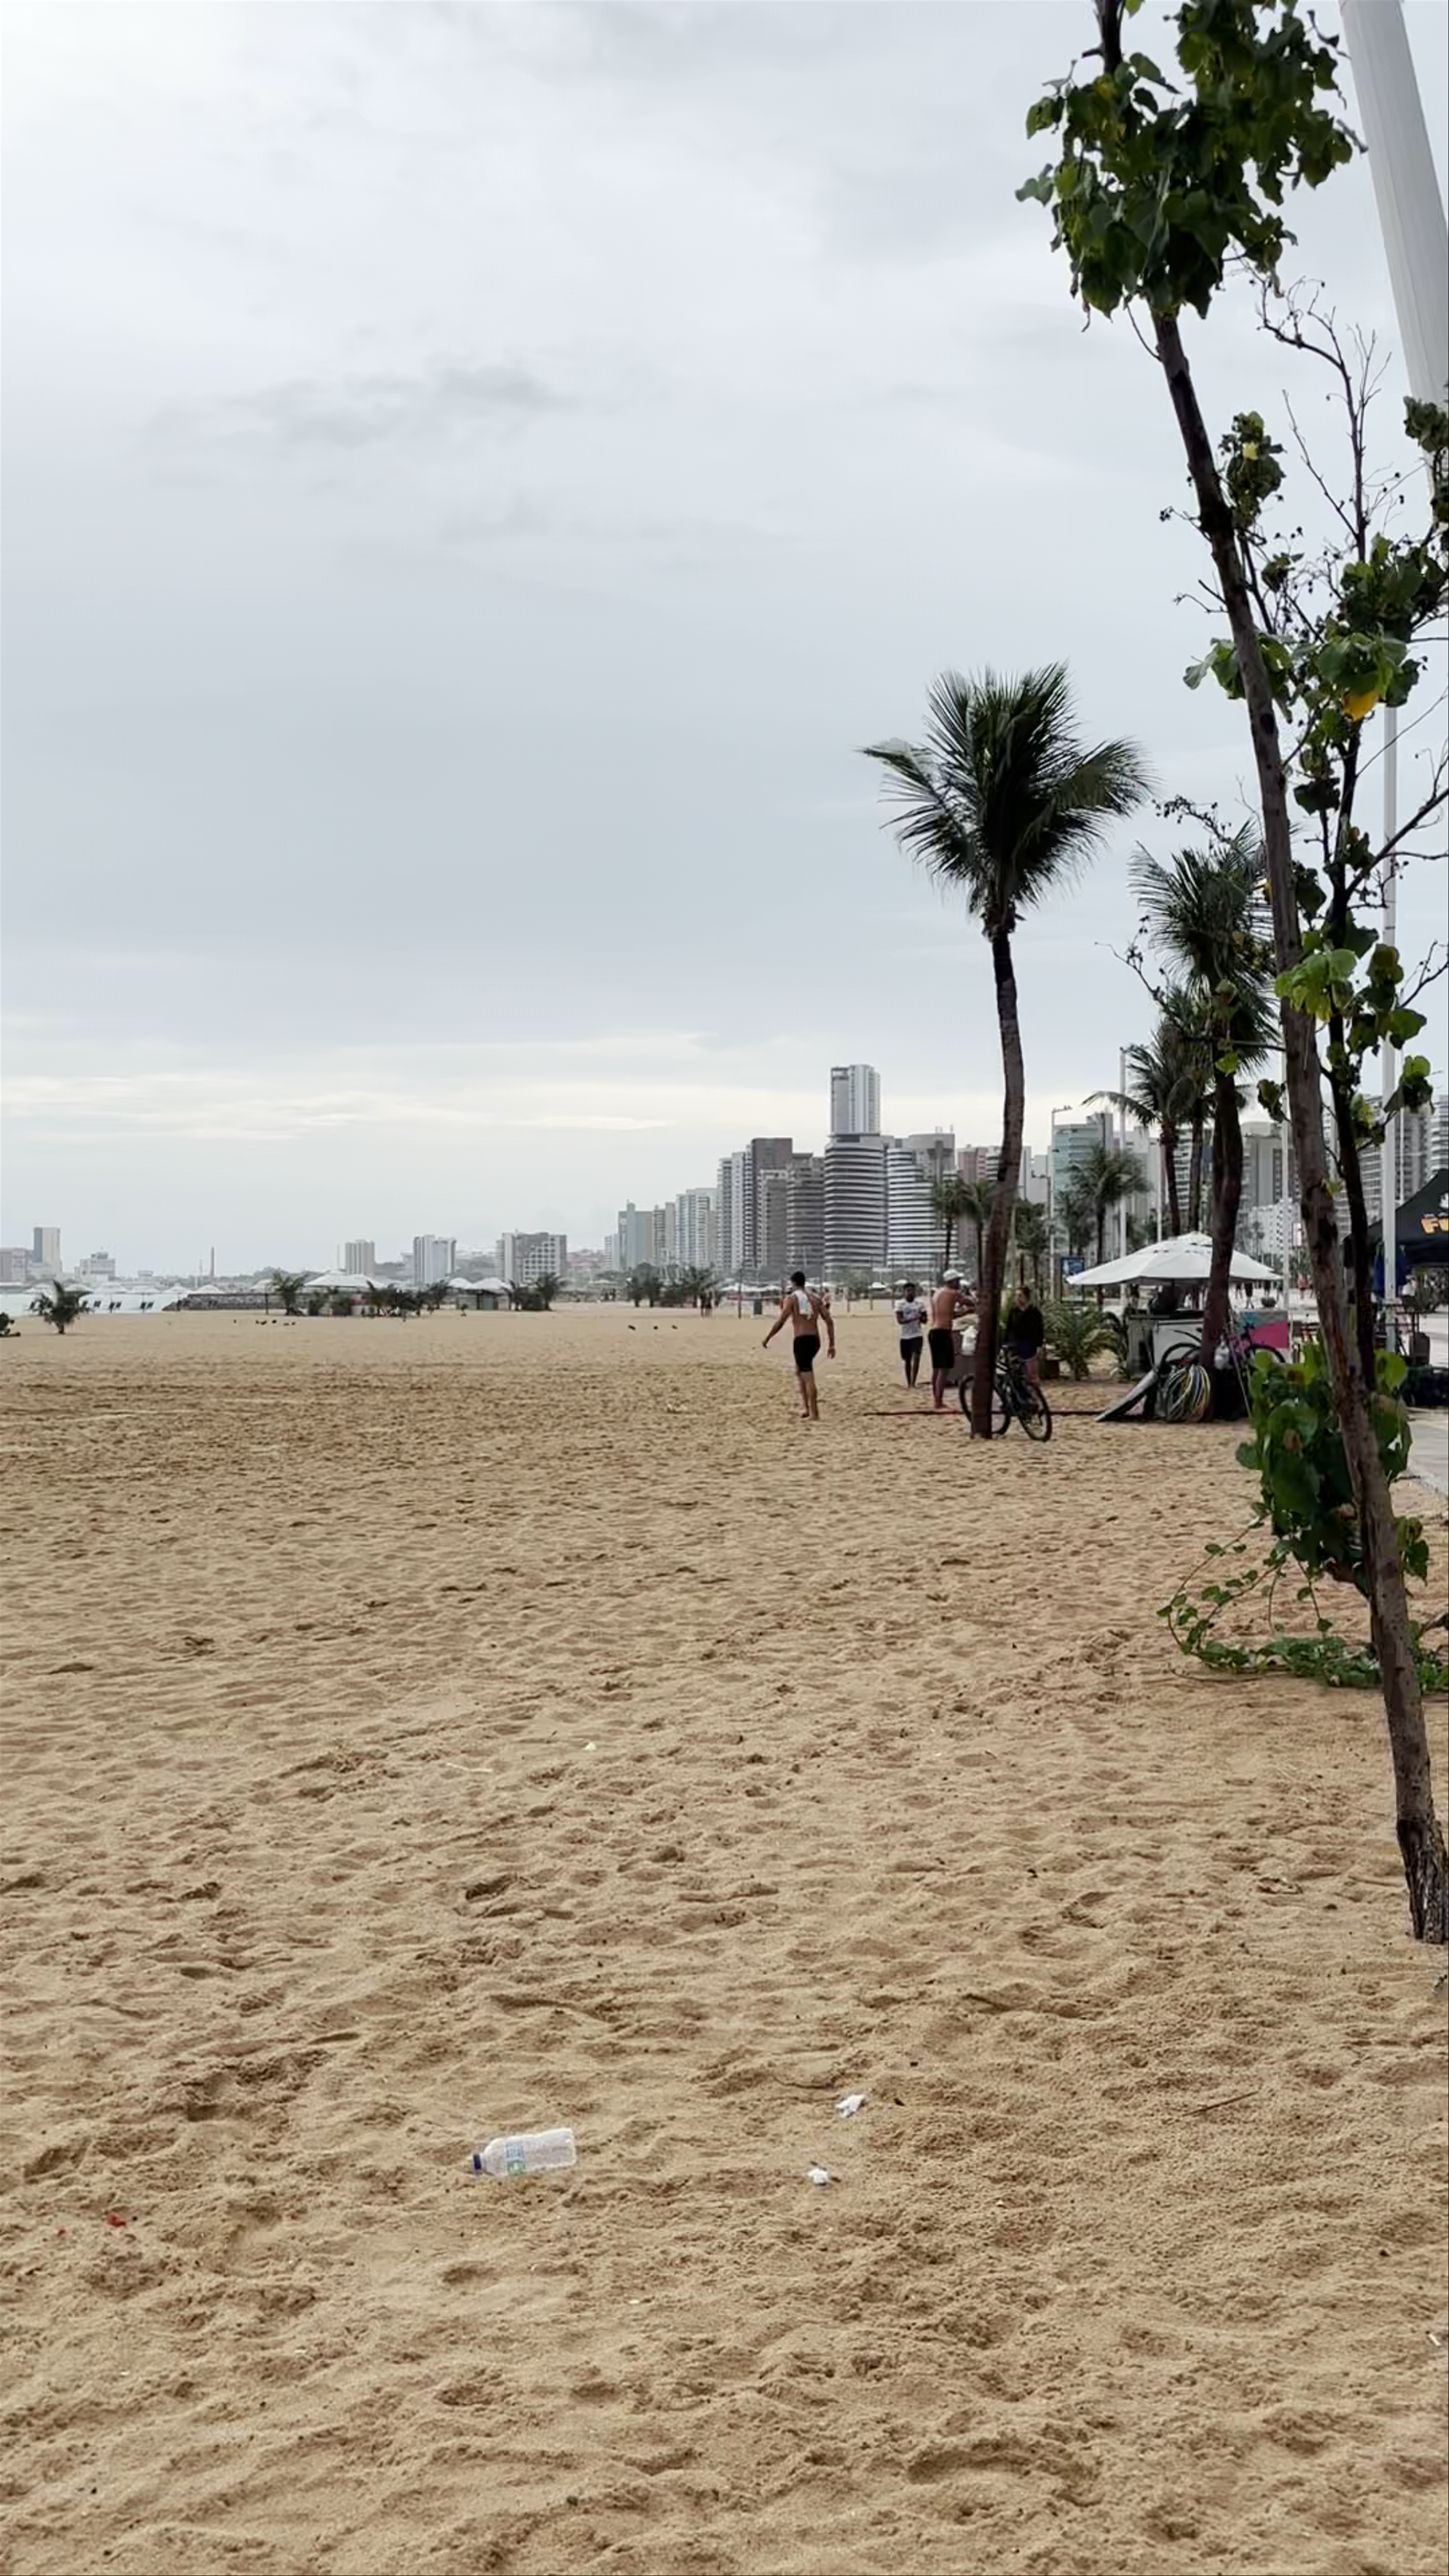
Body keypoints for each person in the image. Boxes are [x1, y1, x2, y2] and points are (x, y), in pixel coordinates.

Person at [763, 1270, 835, 1418]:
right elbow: (829, 1321)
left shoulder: (792, 1299)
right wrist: (832, 1344)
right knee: (800, 1371)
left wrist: (768, 1337)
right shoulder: (816, 1298)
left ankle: (814, 1414)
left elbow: (781, 1321)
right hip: (815, 1340)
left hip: (802, 1340)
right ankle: (806, 1409)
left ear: (793, 1283)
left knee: (808, 1376)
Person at [928, 1272, 970, 1411]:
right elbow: (968, 1302)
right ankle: (938, 1402)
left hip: (934, 1332)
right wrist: (973, 1307)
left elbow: (948, 1314)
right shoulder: (952, 1293)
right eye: (957, 1281)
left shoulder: (938, 1293)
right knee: (944, 1369)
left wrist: (965, 1313)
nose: (959, 1284)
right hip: (943, 1333)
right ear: (951, 1282)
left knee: (937, 1368)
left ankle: (936, 1398)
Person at [1003, 1281, 1045, 1387]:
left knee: (1032, 1376)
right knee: (1016, 1375)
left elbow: (1039, 1330)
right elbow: (1009, 1329)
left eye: (1020, 1296)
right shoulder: (1013, 1312)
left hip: (1030, 1348)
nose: (1018, 1299)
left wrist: (1039, 1346)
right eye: (1016, 1296)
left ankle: (1034, 1394)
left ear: (1027, 1297)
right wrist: (1006, 1344)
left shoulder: (1034, 1312)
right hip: (1015, 1347)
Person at [893, 1280, 928, 1387]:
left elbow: (925, 1320)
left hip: (917, 1335)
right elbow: (900, 1321)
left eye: (912, 1291)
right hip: (905, 1336)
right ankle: (909, 1382)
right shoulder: (900, 1304)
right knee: (907, 1360)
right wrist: (913, 1318)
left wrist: (921, 1318)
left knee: (917, 1357)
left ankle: (914, 1382)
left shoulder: (920, 1304)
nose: (910, 1293)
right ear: (904, 1292)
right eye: (908, 1291)